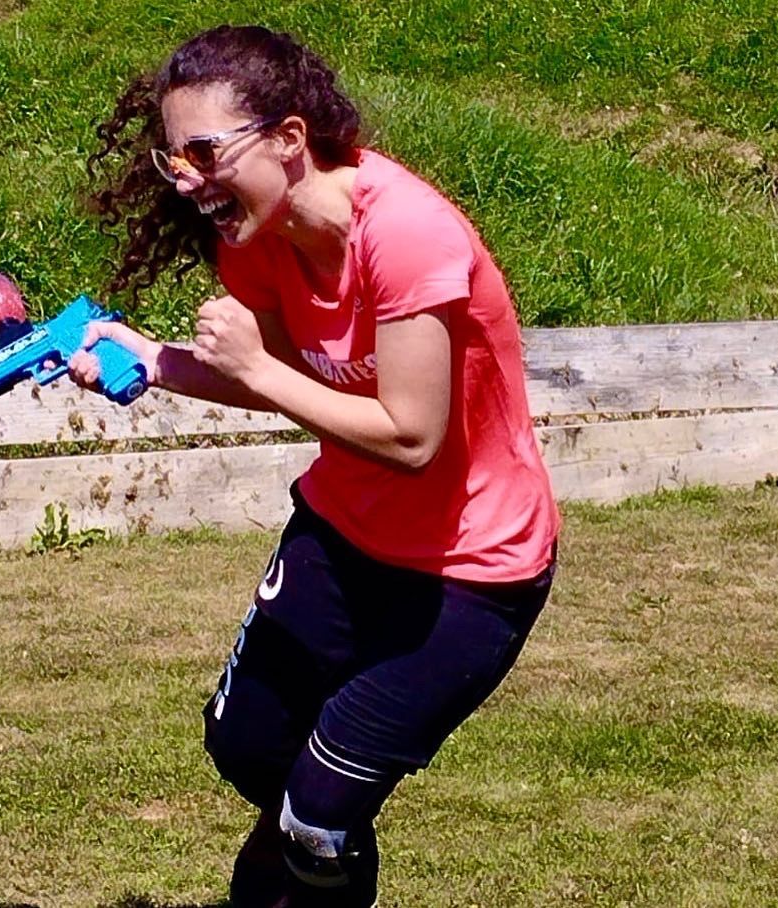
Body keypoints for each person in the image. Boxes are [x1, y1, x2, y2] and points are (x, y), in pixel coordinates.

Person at [69, 24, 560, 908]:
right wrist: (156, 359)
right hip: (342, 533)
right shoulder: (258, 239)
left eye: (204, 151)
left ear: (290, 140)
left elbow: (410, 437)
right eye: (171, 159)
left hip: (467, 573)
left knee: (319, 819)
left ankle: (311, 848)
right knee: (246, 747)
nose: (186, 179)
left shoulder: (407, 237)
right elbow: (301, 387)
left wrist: (252, 364)